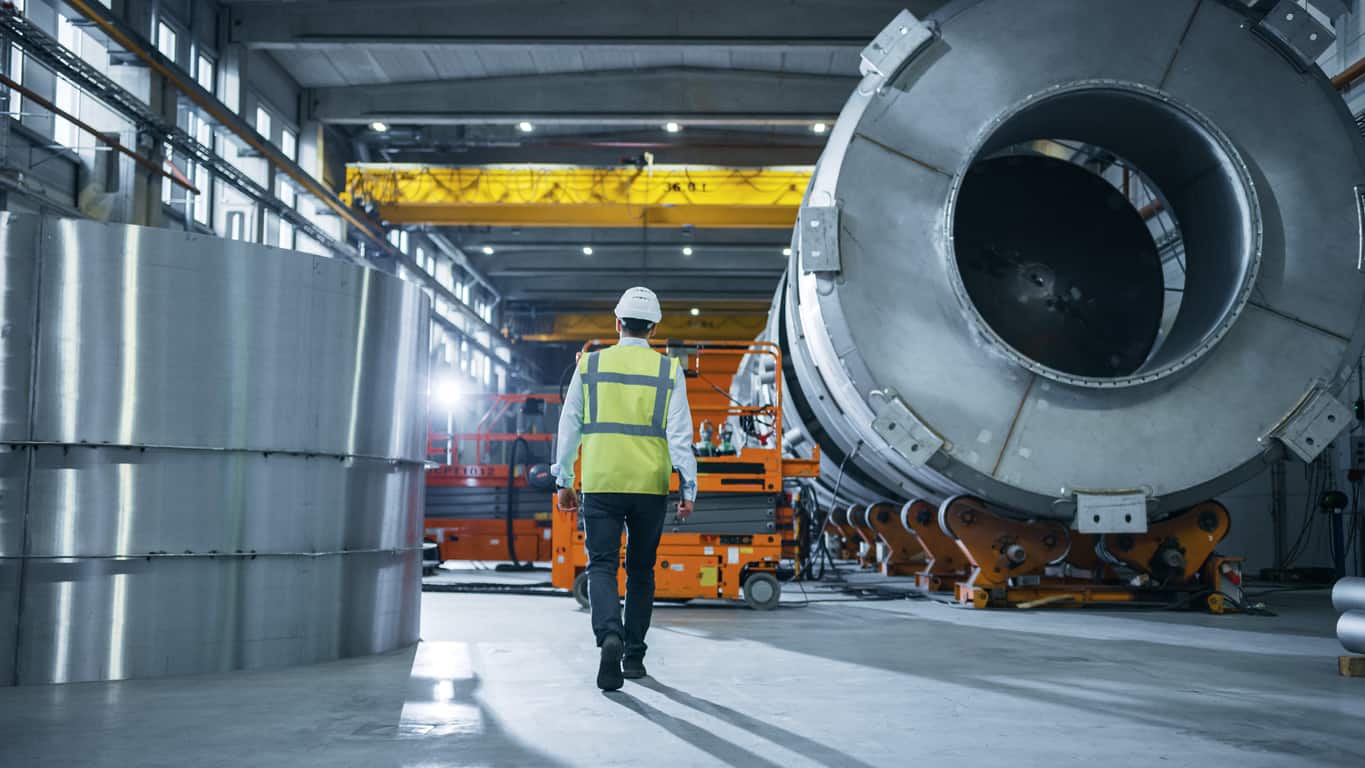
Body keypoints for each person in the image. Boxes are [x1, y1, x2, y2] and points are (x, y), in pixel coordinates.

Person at [552, 286, 698, 691]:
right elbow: (680, 435)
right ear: (653, 328)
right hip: (649, 486)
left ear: (617, 324)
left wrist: (564, 479)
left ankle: (609, 635)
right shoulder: (670, 370)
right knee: (640, 571)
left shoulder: (589, 365)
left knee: (601, 564)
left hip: (601, 481)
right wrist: (689, 489)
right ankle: (633, 655)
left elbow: (569, 426)